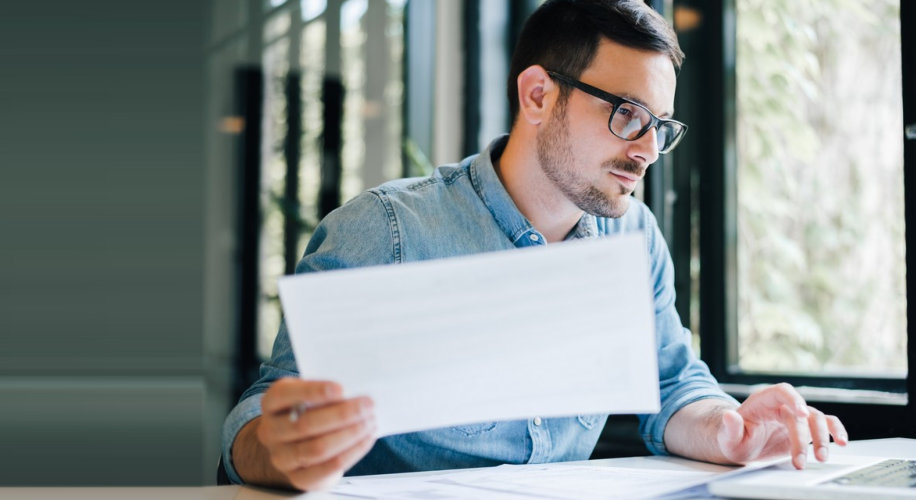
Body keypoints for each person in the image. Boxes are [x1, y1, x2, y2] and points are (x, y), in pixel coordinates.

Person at [221, 0, 848, 491]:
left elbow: (671, 385)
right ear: (539, 95)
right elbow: (259, 418)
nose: (648, 149)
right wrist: (277, 448)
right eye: (628, 114)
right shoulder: (387, 230)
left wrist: (731, 429)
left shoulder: (634, 236)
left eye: (660, 126)